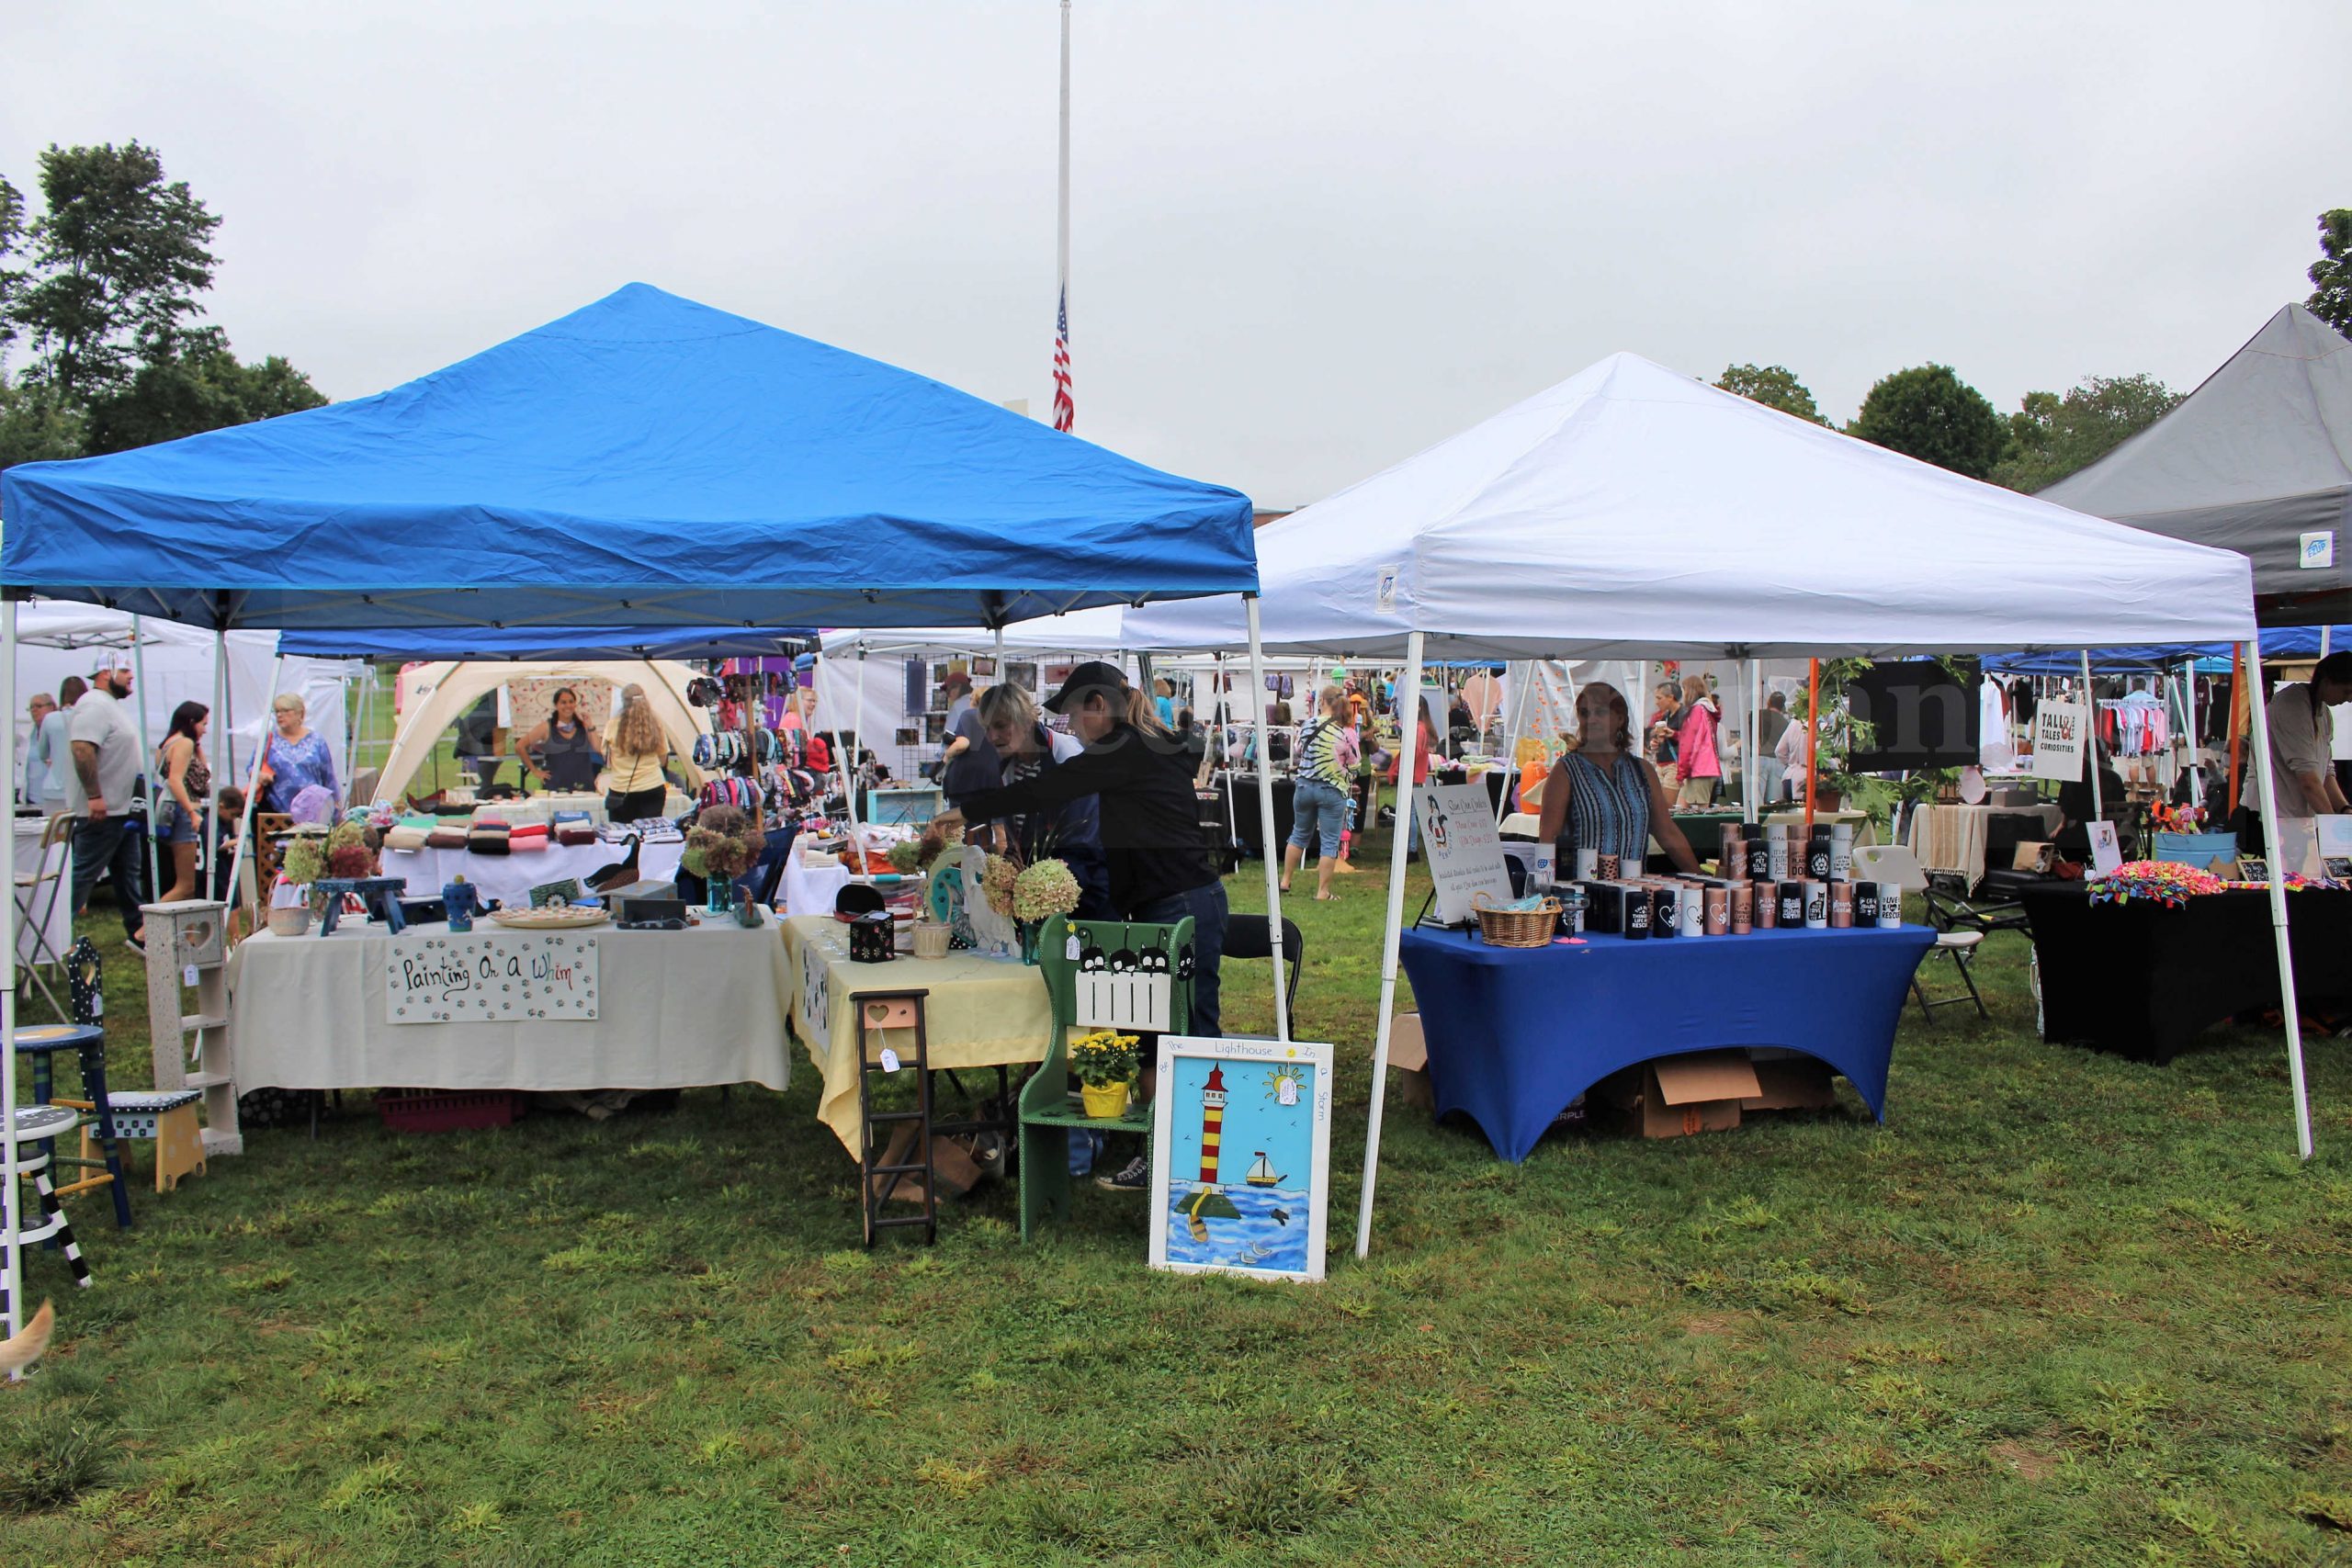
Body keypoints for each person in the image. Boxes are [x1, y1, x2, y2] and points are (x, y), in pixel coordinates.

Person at [947, 662, 1227, 1191]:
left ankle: (1193, 1164)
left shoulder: (1124, 749)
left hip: (1180, 904)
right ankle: (1166, 1154)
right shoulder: (1143, 743)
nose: (1071, 728)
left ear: (1098, 707)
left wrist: (970, 810)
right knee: (1153, 1034)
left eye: (1074, 716)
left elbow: (1046, 791)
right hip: (1161, 905)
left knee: (1186, 1035)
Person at [975, 682, 1114, 919]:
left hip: (1085, 900)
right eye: (987, 728)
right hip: (1042, 902)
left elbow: (1083, 846)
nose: (992, 737)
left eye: (1000, 726)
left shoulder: (1067, 756)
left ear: (1026, 720)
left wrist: (1036, 889)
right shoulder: (1007, 765)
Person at [1534, 681, 1700, 876]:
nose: (1591, 720)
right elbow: (1547, 839)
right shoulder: (1565, 771)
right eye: (1584, 713)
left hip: (1634, 894)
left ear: (1620, 718)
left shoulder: (1642, 771)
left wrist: (1699, 876)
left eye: (1600, 713)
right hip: (1581, 895)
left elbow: (1667, 832)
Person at [63, 655, 147, 952]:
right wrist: (94, 796)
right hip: (102, 811)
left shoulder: (109, 705)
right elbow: (82, 748)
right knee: (82, 877)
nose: (130, 677)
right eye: (124, 671)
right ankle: (52, 934)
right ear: (103, 673)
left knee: (128, 875)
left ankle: (138, 933)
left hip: (121, 810)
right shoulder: (94, 704)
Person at [1283, 684, 1360, 902]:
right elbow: (1355, 764)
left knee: (1298, 833)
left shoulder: (1308, 725)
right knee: (1329, 841)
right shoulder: (1347, 731)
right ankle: (1322, 891)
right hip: (1332, 790)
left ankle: (1285, 880)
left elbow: (1298, 751)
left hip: (1305, 786)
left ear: (1323, 701)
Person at [2265, 651, 2352, 819]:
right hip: (2276, 817)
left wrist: (2344, 809)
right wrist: (2332, 825)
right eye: (2346, 691)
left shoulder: (2323, 712)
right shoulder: (2292, 706)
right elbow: (2308, 781)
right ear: (2327, 682)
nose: (2349, 699)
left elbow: (2326, 771)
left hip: (2298, 817)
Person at [152, 701, 213, 906]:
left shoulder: (166, 744)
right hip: (184, 812)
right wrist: (191, 812)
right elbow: (176, 780)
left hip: (169, 811)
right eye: (203, 724)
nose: (205, 730)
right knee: (186, 885)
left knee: (185, 885)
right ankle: (144, 931)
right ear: (191, 722)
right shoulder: (184, 744)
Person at [256, 692, 340, 818]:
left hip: (312, 811)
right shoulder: (269, 740)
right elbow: (252, 767)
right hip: (277, 811)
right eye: (277, 711)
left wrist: (336, 804)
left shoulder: (317, 741)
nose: (279, 715)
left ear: (300, 713)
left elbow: (328, 775)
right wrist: (260, 775)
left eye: (285, 711)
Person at [602, 682, 673, 824]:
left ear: (623, 702)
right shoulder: (656, 724)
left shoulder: (613, 725)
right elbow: (663, 757)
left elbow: (606, 758)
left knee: (621, 838)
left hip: (621, 789)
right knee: (650, 837)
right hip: (652, 786)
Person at [519, 687, 602, 793]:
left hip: (583, 783)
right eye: (563, 702)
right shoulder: (546, 727)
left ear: (575, 704)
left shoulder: (583, 726)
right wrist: (535, 771)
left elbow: (598, 748)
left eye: (571, 702)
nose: (568, 705)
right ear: (556, 705)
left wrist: (590, 726)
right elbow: (520, 746)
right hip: (556, 784)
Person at [32, 676, 83, 816]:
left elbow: (42, 753)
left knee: (53, 834)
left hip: (53, 790)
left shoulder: (50, 718)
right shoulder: (86, 717)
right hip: (80, 790)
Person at [1675, 674, 1723, 809]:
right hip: (1706, 768)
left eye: (1683, 690)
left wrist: (1681, 772)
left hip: (1698, 770)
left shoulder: (1696, 711)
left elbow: (1689, 744)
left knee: (1695, 812)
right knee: (1684, 809)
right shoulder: (1707, 710)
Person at [1755, 692, 1792, 805]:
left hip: (1759, 758)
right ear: (1783, 706)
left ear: (1769, 702)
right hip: (1778, 762)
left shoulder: (1757, 715)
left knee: (1757, 799)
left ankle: (1755, 822)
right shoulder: (1786, 724)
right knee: (1775, 803)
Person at [23, 693, 56, 805]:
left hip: (56, 798)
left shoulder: (61, 730)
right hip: (31, 800)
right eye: (31, 707)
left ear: (51, 707)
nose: (34, 710)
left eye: (38, 706)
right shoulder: (26, 734)